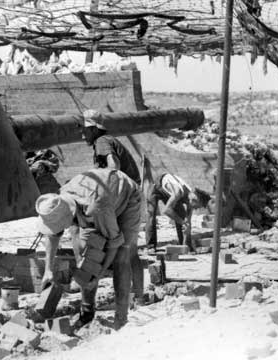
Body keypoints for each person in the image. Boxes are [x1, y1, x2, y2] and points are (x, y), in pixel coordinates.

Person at [35, 168, 144, 330]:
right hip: (101, 196)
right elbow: (53, 234)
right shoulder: (59, 199)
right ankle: (87, 313)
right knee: (86, 255)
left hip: (127, 198)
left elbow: (113, 243)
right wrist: (48, 270)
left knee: (122, 255)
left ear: (69, 215)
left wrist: (98, 274)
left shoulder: (97, 207)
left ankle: (121, 319)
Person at [145, 173, 211, 251]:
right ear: (195, 200)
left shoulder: (190, 200)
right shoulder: (178, 192)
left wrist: (187, 239)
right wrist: (182, 223)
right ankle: (151, 246)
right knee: (151, 215)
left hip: (169, 193)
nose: (196, 209)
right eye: (197, 207)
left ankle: (184, 246)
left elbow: (188, 222)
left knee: (181, 215)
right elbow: (166, 210)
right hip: (156, 187)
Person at [81, 109, 141, 185]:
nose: (83, 137)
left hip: (127, 191)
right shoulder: (106, 140)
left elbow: (114, 167)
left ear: (94, 130)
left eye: (85, 132)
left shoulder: (102, 141)